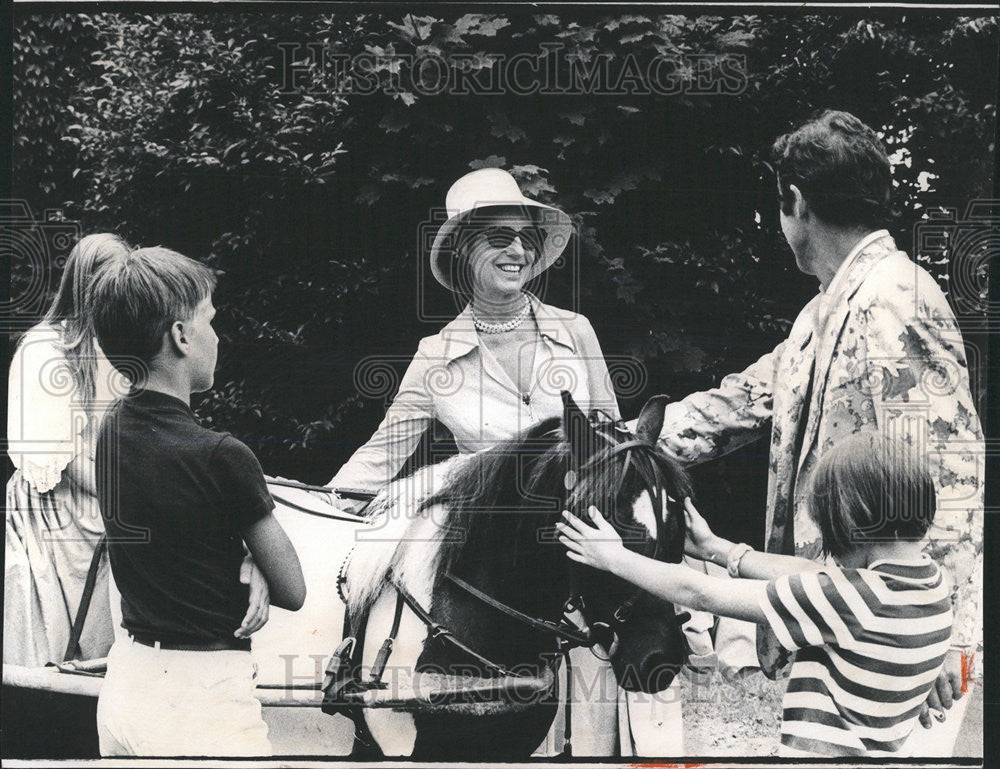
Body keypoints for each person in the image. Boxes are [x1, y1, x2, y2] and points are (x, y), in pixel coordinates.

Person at [648, 111, 983, 731]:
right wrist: (626, 443)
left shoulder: (896, 298)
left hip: (895, 641)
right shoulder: (825, 310)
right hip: (844, 618)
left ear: (796, 201)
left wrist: (949, 638)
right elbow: (742, 402)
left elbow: (953, 473)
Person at [329, 168, 625, 756]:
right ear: (463, 250)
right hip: (487, 571)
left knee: (590, 721)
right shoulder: (435, 355)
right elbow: (381, 455)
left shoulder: (575, 332)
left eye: (525, 238)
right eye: (499, 237)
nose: (517, 251)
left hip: (576, 549)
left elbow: (610, 445)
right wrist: (304, 509)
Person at [559, 431, 954, 758]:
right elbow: (812, 573)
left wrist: (614, 557)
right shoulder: (934, 586)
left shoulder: (850, 601)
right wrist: (717, 548)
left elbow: (700, 593)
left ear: (851, 517)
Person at [89, 246, 306, 757]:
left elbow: (178, 536)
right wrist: (257, 559)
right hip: (201, 704)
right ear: (181, 336)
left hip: (126, 686)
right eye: (210, 318)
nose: (218, 335)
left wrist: (247, 555)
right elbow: (293, 590)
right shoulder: (222, 455)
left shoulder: (111, 428)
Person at [5, 233, 131, 667]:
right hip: (55, 512)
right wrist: (126, 496)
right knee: (52, 640)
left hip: (108, 500)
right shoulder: (43, 349)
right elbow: (62, 456)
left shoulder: (120, 349)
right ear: (83, 284)